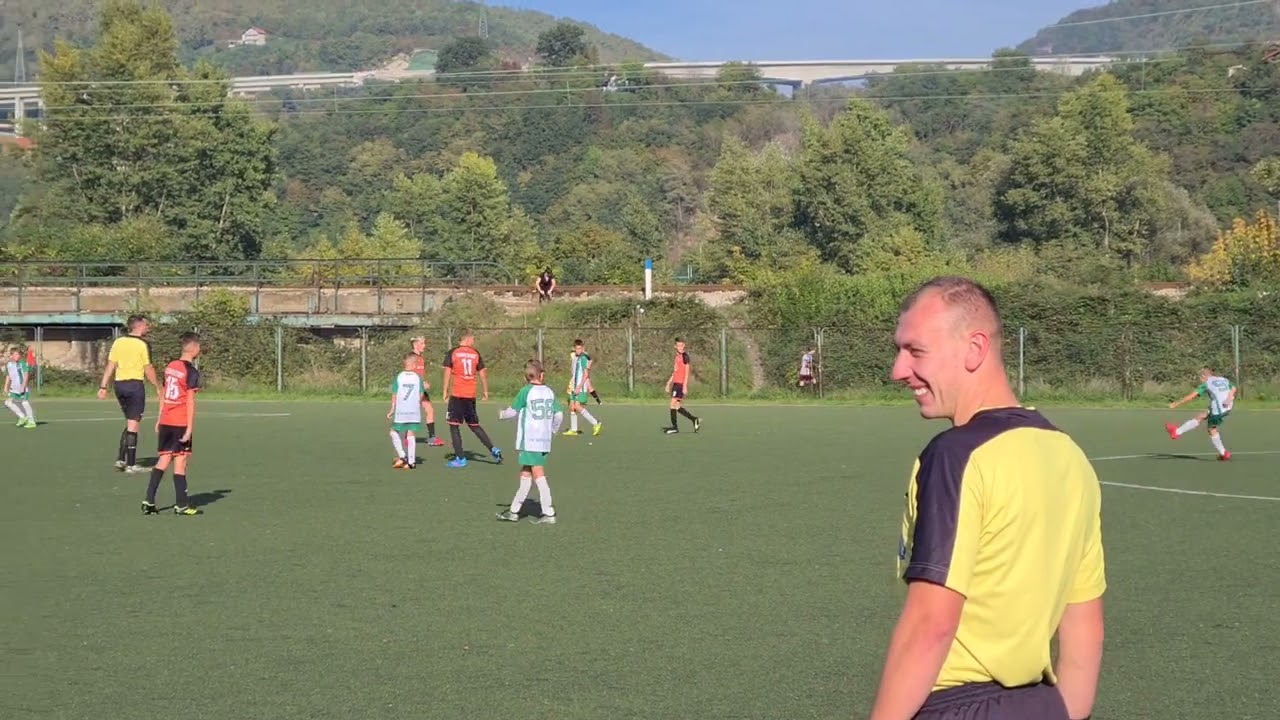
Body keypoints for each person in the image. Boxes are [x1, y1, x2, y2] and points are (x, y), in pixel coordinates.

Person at [870, 276, 1106, 720]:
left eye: (915, 351)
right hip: (1042, 705)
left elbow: (930, 627)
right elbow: (1084, 631)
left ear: (975, 348)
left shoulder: (955, 456)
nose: (898, 371)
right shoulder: (1071, 458)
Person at [496, 360, 564, 524]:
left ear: (526, 377)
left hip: (530, 440)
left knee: (537, 472)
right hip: (543, 440)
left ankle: (548, 512)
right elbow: (559, 415)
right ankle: (514, 510)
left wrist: (501, 414)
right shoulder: (549, 391)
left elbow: (513, 411)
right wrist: (552, 431)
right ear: (541, 375)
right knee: (526, 472)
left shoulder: (526, 391)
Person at [144, 333, 203, 516]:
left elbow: (164, 394)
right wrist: (190, 428)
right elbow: (191, 401)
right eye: (199, 347)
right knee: (181, 459)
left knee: (164, 458)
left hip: (166, 420)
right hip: (179, 421)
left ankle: (149, 500)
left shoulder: (171, 366)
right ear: (193, 348)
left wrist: (159, 418)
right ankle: (181, 504)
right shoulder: (191, 371)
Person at [99, 314, 160, 473]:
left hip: (119, 386)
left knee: (130, 422)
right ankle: (131, 465)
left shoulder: (118, 342)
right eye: (146, 325)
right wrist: (158, 386)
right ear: (139, 327)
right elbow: (148, 368)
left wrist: (103, 386)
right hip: (134, 385)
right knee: (134, 423)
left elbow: (110, 365)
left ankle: (121, 459)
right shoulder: (142, 344)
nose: (148, 328)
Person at [441, 330, 502, 468]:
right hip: (471, 395)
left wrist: (445, 390)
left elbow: (447, 372)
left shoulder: (453, 352)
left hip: (457, 394)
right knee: (474, 425)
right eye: (473, 339)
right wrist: (486, 391)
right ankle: (493, 449)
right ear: (467, 339)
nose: (474, 341)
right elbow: (483, 374)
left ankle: (460, 458)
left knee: (454, 425)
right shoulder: (475, 354)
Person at [1165, 368, 1237, 460]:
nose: (1200, 381)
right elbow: (1234, 388)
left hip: (1218, 410)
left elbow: (1192, 396)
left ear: (1204, 376)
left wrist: (1176, 403)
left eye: (1200, 378)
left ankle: (1223, 453)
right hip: (1228, 406)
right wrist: (1229, 397)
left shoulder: (1206, 384)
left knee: (1211, 429)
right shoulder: (1223, 379)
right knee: (1202, 415)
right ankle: (1176, 432)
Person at [388, 352, 425, 470]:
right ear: (413, 364)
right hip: (414, 411)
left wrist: (392, 408)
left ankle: (403, 456)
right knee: (411, 433)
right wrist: (415, 403)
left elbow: (394, 394)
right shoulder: (418, 377)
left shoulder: (399, 376)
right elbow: (421, 394)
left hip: (401, 411)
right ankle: (412, 462)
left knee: (393, 432)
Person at [409, 336, 444, 447]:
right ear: (415, 345)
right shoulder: (411, 357)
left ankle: (432, 438)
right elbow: (409, 375)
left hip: (421, 390)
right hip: (413, 390)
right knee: (413, 414)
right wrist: (420, 383)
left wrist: (424, 382)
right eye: (422, 343)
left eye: (424, 343)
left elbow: (419, 374)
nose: (425, 345)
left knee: (430, 411)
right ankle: (408, 437)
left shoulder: (421, 358)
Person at [564, 339, 603, 437]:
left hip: (580, 387)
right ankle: (573, 429)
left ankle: (595, 423)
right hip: (574, 385)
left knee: (577, 406)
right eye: (577, 348)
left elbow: (586, 375)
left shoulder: (583, 359)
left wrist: (579, 387)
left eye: (580, 348)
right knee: (572, 406)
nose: (578, 350)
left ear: (583, 348)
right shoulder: (575, 357)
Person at [664, 338, 701, 435]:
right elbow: (675, 371)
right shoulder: (677, 357)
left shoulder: (685, 357)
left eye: (682, 345)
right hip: (676, 383)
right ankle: (694, 419)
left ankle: (675, 427)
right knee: (677, 406)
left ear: (684, 345)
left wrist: (685, 386)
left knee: (672, 404)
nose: (680, 347)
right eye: (678, 345)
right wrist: (669, 382)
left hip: (680, 384)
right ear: (675, 346)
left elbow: (687, 372)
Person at [4, 347, 35, 428]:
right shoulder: (9, 365)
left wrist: (23, 386)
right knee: (8, 402)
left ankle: (32, 421)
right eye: (15, 354)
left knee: (24, 402)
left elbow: (26, 375)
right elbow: (8, 376)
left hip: (22, 387)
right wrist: (5, 387)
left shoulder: (23, 363)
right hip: (13, 388)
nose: (17, 356)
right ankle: (22, 417)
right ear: (11, 355)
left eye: (18, 354)